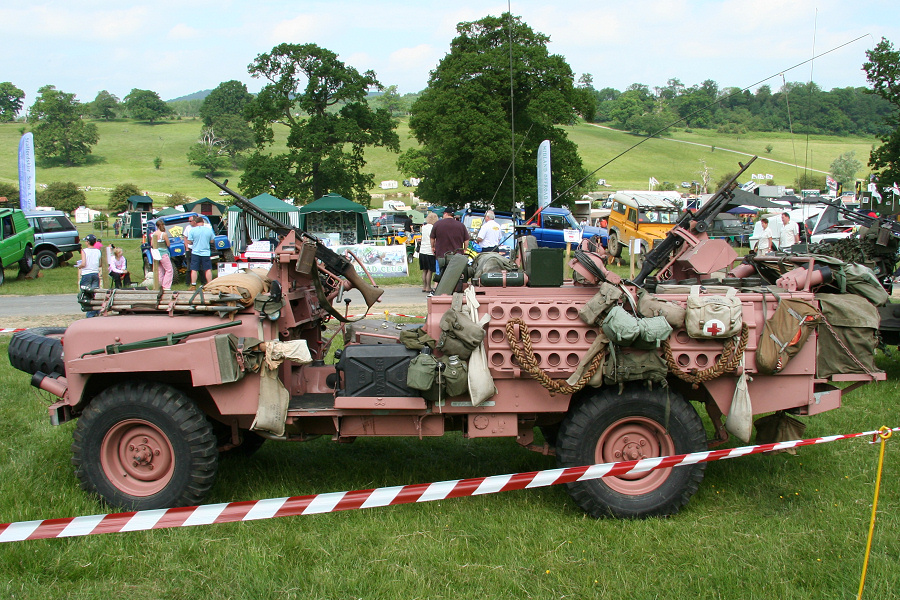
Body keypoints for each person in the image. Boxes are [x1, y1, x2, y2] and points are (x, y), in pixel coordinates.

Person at [77, 234, 102, 317]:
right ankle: (96, 311)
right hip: (95, 273)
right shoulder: (98, 251)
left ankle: (90, 313)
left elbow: (83, 263)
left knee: (85, 294)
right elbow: (100, 263)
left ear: (88, 242)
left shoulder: (84, 251)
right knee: (94, 294)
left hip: (86, 273)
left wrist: (79, 266)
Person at [186, 215, 214, 289]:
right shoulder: (209, 230)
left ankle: (193, 285)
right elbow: (212, 240)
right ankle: (209, 284)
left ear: (196, 222)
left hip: (195, 252)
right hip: (206, 252)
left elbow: (189, 241)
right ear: (203, 222)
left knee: (194, 269)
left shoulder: (193, 230)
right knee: (207, 269)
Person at [419, 212, 438, 293]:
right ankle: (428, 287)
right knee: (430, 270)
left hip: (422, 250)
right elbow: (434, 239)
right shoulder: (434, 228)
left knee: (424, 270)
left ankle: (424, 286)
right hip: (429, 251)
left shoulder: (423, 227)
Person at [152, 219, 174, 290]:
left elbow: (152, 244)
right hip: (163, 253)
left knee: (160, 270)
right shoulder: (164, 234)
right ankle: (166, 286)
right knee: (169, 270)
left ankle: (159, 284)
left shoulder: (154, 234)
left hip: (157, 254)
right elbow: (168, 244)